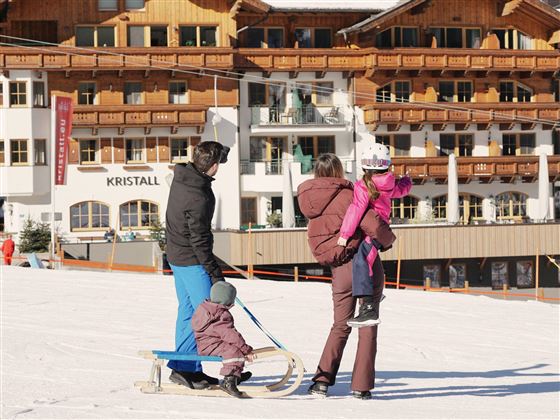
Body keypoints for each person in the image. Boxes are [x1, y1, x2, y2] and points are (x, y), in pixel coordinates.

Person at [297, 153, 396, 399]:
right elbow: (373, 224)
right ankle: (361, 386)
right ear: (339, 171)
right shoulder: (348, 195)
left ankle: (321, 381)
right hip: (365, 264)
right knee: (367, 323)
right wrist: (388, 240)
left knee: (340, 325)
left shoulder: (309, 201)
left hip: (339, 268)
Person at [165, 141, 230, 390]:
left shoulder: (184, 178)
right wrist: (215, 273)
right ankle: (230, 367)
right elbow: (199, 239)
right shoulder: (198, 194)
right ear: (213, 166)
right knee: (209, 315)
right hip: (191, 260)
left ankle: (186, 367)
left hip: (177, 256)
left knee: (190, 313)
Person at [337, 143, 411, 327]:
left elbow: (356, 209)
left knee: (362, 259)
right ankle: (374, 292)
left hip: (372, 231)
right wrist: (407, 181)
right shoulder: (389, 183)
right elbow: (402, 190)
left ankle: (368, 307)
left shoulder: (363, 186)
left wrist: (344, 234)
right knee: (367, 258)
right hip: (380, 228)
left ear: (364, 166)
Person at [192, 282, 254, 398]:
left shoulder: (206, 308)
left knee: (234, 348)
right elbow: (231, 335)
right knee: (233, 352)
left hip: (207, 343)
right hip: (211, 345)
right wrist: (246, 349)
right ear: (227, 300)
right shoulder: (220, 315)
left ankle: (236, 376)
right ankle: (228, 381)